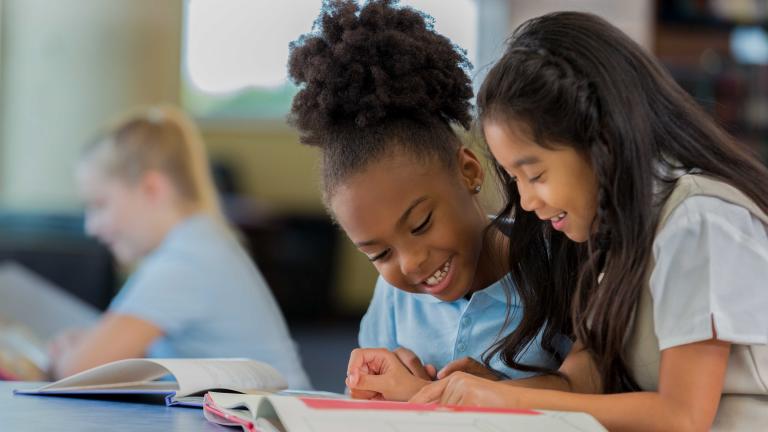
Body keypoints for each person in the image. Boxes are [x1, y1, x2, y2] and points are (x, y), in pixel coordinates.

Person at [408, 12, 768, 431]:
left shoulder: (696, 221)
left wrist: (507, 397)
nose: (527, 202)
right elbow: (582, 383)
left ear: (602, 140)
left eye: (535, 175)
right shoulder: (616, 232)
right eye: (514, 179)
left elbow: (683, 416)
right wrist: (484, 389)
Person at [287, 0, 570, 402]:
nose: (410, 263)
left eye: (420, 224)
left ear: (469, 171)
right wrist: (370, 393)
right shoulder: (394, 298)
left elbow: (596, 389)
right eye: (380, 254)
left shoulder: (558, 261)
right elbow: (362, 406)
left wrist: (493, 394)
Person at [48, 105, 311, 389]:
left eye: (100, 205)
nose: (91, 226)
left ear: (151, 189)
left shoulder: (185, 261)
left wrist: (66, 353)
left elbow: (77, 372)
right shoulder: (200, 240)